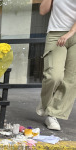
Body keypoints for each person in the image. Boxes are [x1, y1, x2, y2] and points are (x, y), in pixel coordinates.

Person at [36, 0, 76, 131]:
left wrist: (70, 32)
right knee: (53, 75)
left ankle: (53, 114)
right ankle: (46, 106)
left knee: (71, 79)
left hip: (73, 34)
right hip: (56, 33)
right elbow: (43, 10)